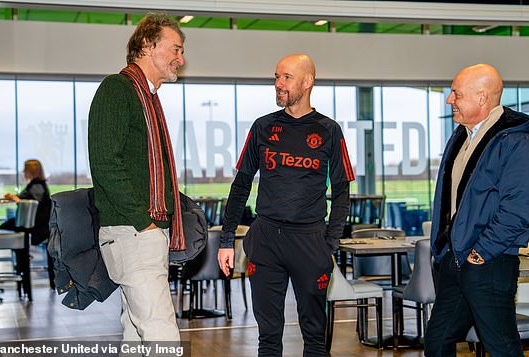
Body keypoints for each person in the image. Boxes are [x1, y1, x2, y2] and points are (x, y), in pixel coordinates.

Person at [217, 54, 355, 357]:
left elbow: (343, 191)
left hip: (310, 242)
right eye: (276, 77)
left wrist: (329, 244)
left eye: (286, 77)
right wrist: (227, 240)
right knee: (267, 336)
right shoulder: (262, 127)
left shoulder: (329, 130)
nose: (278, 83)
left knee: (315, 337)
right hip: (266, 240)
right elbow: (240, 185)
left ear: (307, 82)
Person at [424, 64, 529, 357]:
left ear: (482, 98)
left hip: (488, 261)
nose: (450, 100)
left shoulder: (516, 139)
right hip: (455, 258)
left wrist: (481, 253)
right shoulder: (463, 136)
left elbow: (517, 210)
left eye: (456, 94)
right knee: (437, 342)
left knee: (501, 347)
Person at [88, 14, 185, 343]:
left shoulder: (149, 99)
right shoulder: (117, 89)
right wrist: (144, 223)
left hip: (142, 232)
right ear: (147, 45)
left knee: (135, 333)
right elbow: (104, 163)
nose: (181, 59)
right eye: (175, 48)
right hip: (133, 232)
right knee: (162, 335)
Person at [1, 159, 53, 296]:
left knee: (6, 226)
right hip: (39, 226)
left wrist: (18, 200)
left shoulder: (36, 186)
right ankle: (21, 261)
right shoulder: (38, 185)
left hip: (36, 228)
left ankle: (21, 260)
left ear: (30, 171)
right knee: (9, 225)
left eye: (25, 169)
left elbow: (32, 203)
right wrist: (17, 198)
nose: (23, 172)